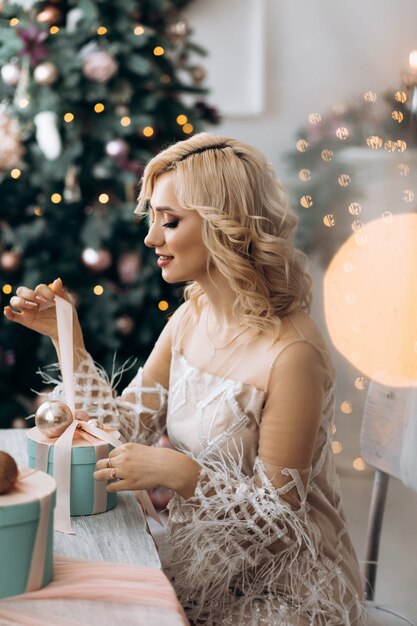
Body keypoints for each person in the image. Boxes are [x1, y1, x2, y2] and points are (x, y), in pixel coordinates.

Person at [4, 133, 366, 625]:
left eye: (170, 221)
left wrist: (179, 473)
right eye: (153, 219)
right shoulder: (191, 317)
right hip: (204, 563)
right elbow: (123, 429)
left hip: (285, 589)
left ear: (228, 227)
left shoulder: (292, 354)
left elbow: (283, 527)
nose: (152, 238)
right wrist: (66, 336)